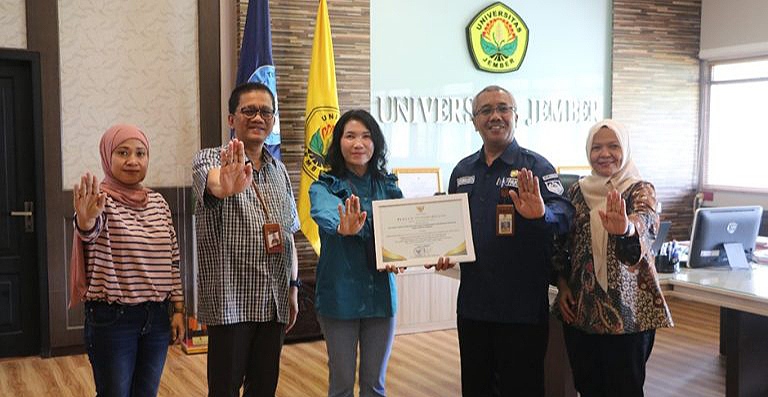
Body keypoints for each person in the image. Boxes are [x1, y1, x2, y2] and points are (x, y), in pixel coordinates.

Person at [434, 85, 574, 396]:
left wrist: (541, 214)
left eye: (503, 108)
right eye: (486, 110)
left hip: (521, 309)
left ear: (515, 116)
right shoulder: (462, 171)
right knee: (476, 387)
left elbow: (565, 213)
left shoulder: (535, 167)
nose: (495, 116)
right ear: (474, 121)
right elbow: (450, 226)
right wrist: (442, 250)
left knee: (521, 388)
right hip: (473, 307)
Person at [192, 82, 300, 397]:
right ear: (231, 119)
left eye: (265, 111)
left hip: (274, 302)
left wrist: (293, 289)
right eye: (248, 110)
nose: (257, 117)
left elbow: (288, 236)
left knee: (264, 389)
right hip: (231, 304)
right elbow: (213, 183)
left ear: (273, 120)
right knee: (224, 390)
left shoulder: (279, 171)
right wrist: (224, 184)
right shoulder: (210, 159)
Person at [552, 119, 673, 397]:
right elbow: (562, 244)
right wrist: (562, 283)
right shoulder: (576, 191)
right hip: (582, 310)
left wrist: (626, 228)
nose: (604, 154)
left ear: (626, 149)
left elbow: (646, 221)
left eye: (613, 146)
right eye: (596, 147)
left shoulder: (640, 189)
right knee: (587, 386)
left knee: (624, 388)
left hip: (627, 315)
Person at [68, 124, 185, 396]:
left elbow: (173, 261)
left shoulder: (159, 203)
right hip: (113, 319)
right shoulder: (99, 201)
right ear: (108, 156)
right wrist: (85, 219)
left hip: (156, 317)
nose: (133, 161)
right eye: (123, 152)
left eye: (141, 153)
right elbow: (88, 230)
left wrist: (178, 309)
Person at [309, 109, 404, 397]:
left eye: (366, 136)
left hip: (380, 296)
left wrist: (406, 253)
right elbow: (323, 213)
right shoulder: (323, 185)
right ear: (338, 142)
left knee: (375, 383)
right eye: (350, 136)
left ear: (376, 143)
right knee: (341, 383)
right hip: (340, 296)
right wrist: (342, 226)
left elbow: (402, 228)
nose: (358, 143)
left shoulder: (388, 184)